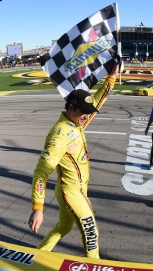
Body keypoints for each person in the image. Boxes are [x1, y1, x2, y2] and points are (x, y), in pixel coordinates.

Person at [28, 63, 120, 259]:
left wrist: (110, 78)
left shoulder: (77, 121)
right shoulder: (60, 134)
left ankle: (37, 257)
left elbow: (96, 102)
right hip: (71, 192)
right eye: (83, 111)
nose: (87, 115)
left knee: (63, 226)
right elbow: (41, 171)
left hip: (76, 189)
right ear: (71, 107)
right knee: (92, 233)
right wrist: (38, 208)